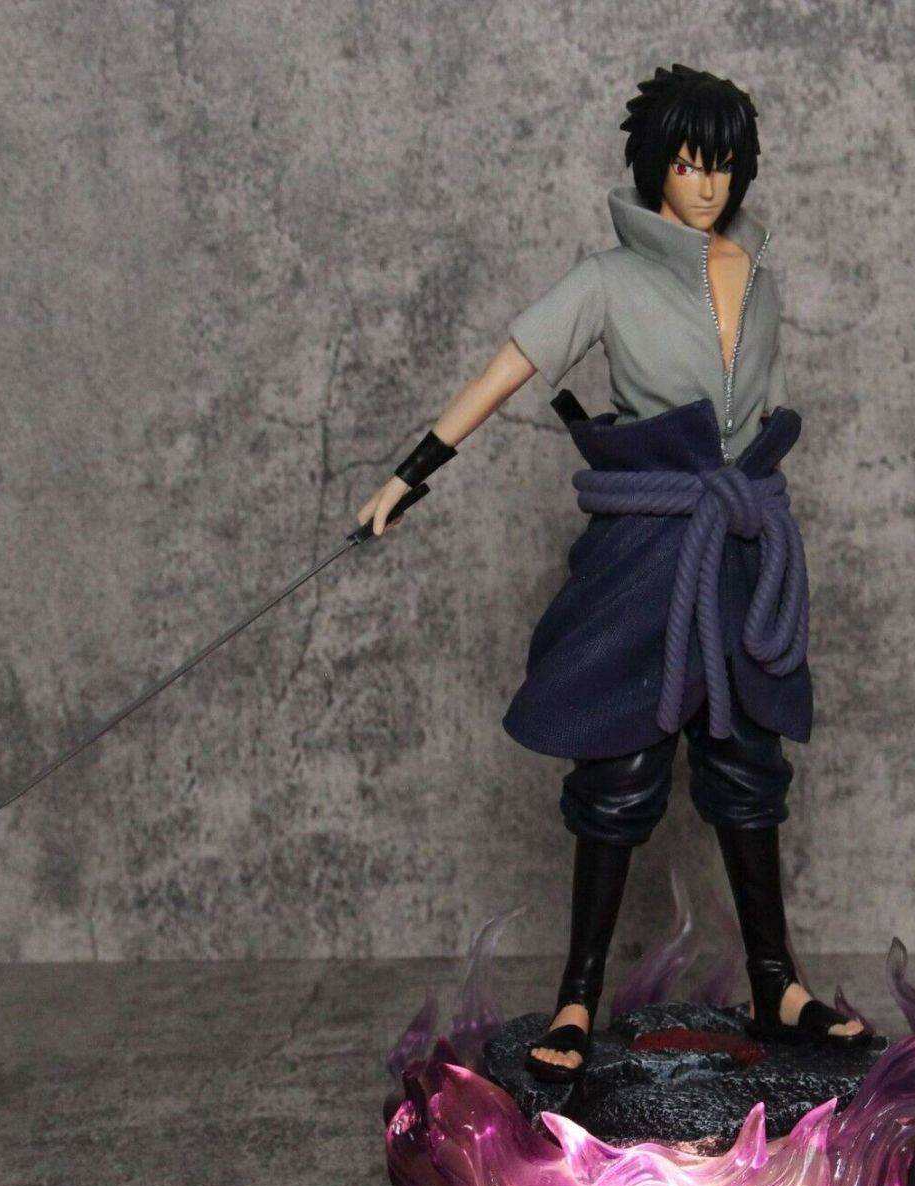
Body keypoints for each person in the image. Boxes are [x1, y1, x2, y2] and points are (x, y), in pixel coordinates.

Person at [358, 64, 872, 1083]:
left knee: (746, 763)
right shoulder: (606, 277)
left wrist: (753, 504)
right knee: (620, 764)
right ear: (653, 168)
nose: (705, 185)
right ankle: (577, 995)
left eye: (721, 166)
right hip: (647, 548)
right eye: (686, 165)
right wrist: (412, 470)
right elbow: (511, 363)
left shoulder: (757, 276)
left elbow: (760, 413)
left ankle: (776, 982)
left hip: (735, 544)